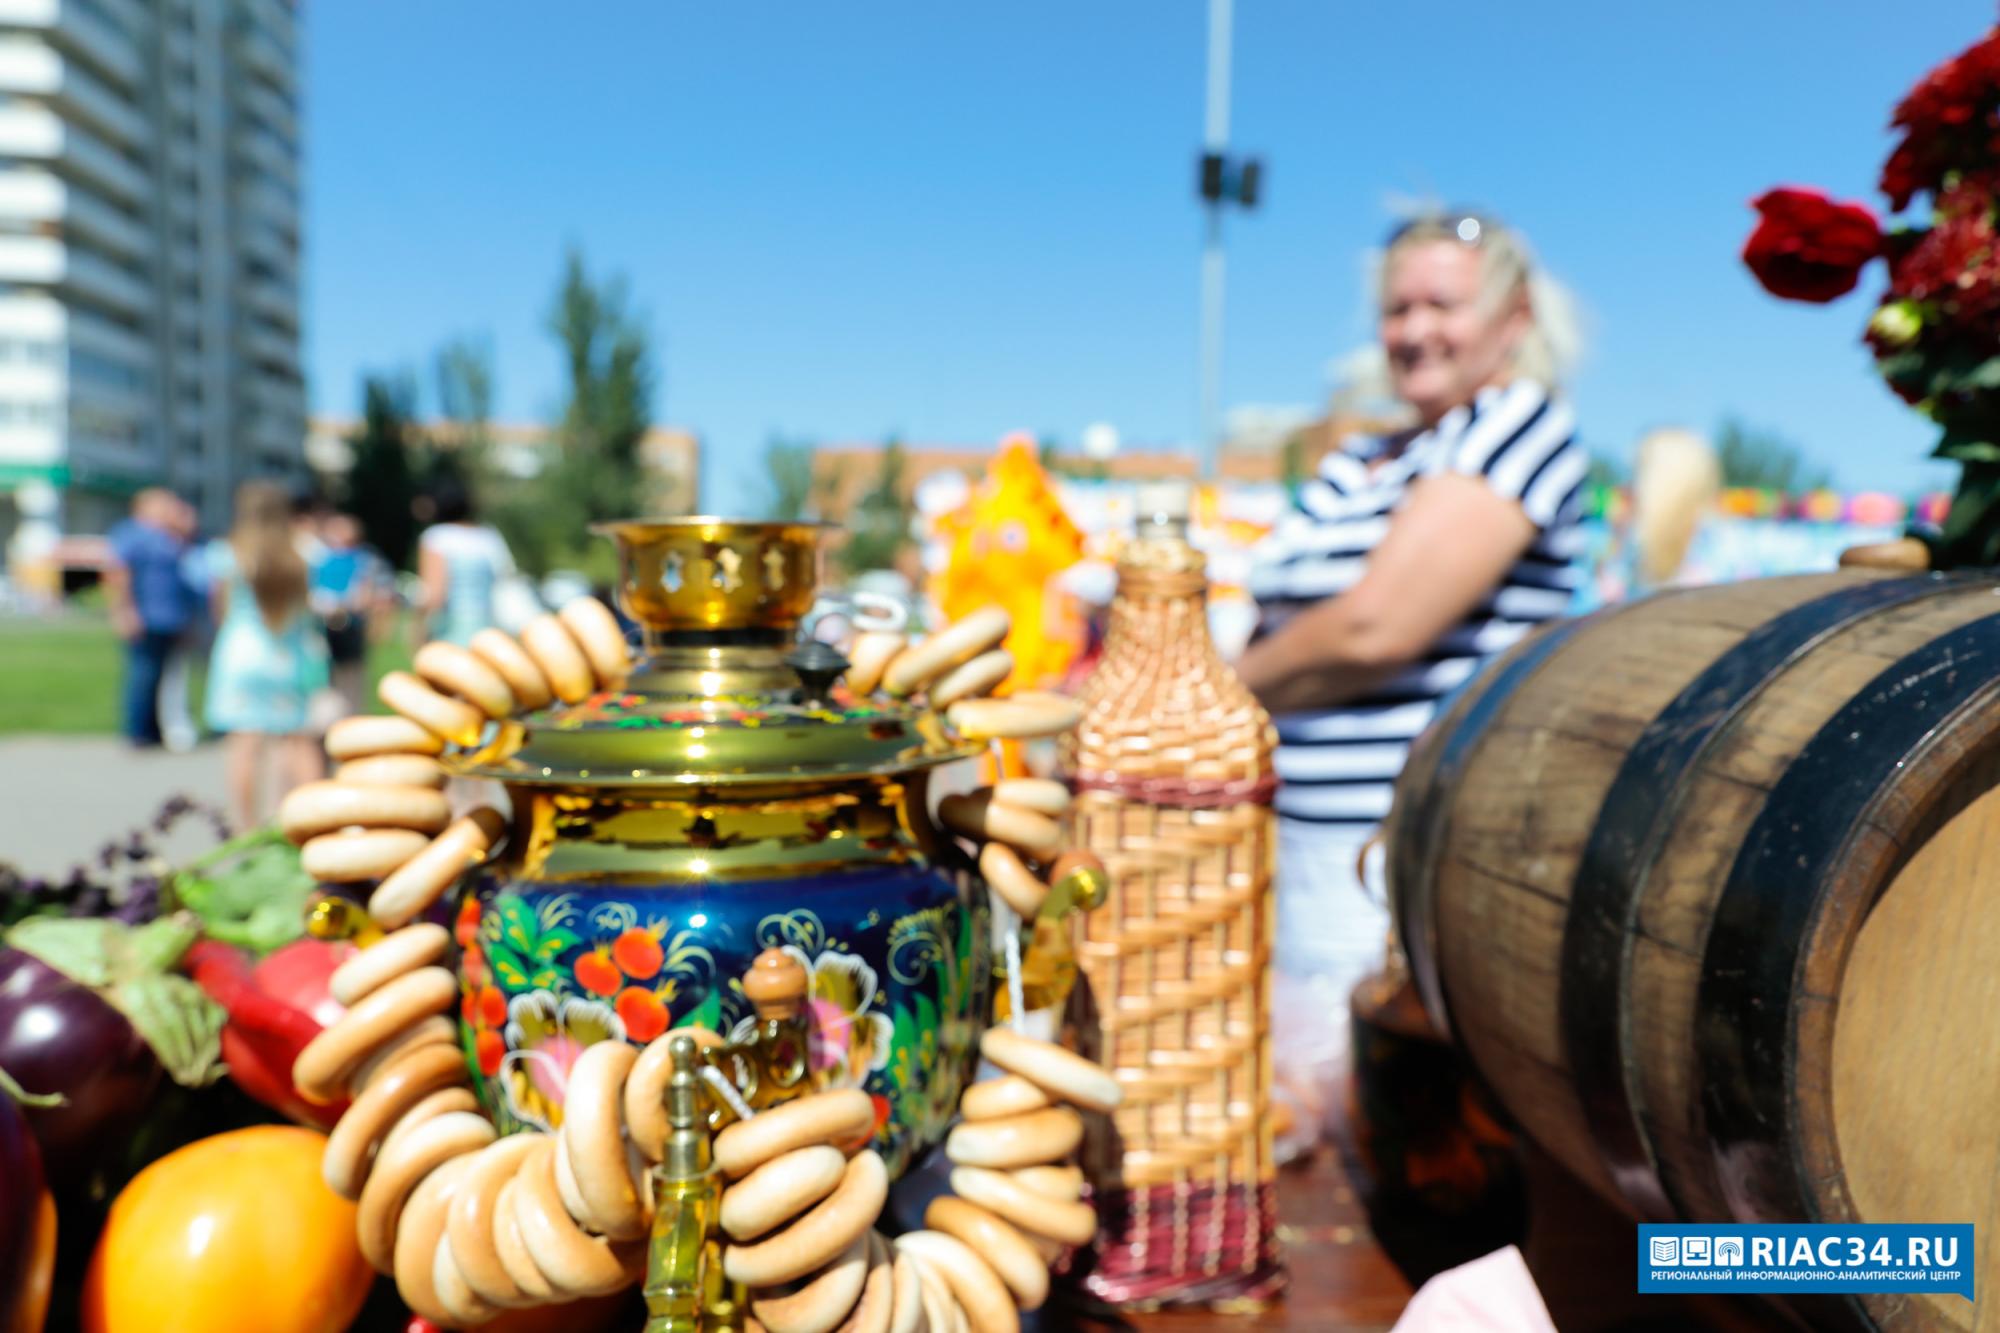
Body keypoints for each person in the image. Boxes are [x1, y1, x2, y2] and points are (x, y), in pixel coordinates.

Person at [1238, 210, 1587, 1148]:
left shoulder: (1515, 428)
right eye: (1398, 308)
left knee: (1390, 1137)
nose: (1415, 328)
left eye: (1444, 304)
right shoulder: (1363, 457)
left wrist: (1217, 693)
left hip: (1398, 868)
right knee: (1300, 1121)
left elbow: (1375, 626)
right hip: (1294, 853)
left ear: (1513, 318)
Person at [202, 480, 328, 828]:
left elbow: (220, 609)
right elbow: (307, 611)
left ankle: (248, 829)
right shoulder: (302, 554)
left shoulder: (227, 553)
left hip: (242, 653)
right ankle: (309, 823)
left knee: (244, 747)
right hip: (287, 655)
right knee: (299, 742)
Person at [104, 488, 202, 748]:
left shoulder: (170, 536)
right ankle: (138, 732)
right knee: (143, 675)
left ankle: (157, 729)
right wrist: (125, 611)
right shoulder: (132, 533)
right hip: (146, 616)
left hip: (172, 617)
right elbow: (118, 574)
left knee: (164, 677)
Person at [416, 480, 515, 646]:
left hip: (451, 629)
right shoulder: (489, 536)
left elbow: (435, 595)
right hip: (488, 628)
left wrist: (419, 629)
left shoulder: (436, 537)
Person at [311, 511, 391, 716]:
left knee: (351, 682)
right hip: (319, 630)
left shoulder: (366, 559)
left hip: (352, 629)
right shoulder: (317, 557)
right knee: (321, 681)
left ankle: (349, 718)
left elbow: (380, 594)